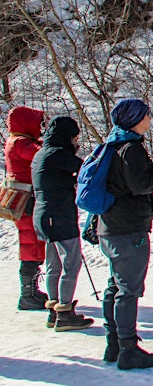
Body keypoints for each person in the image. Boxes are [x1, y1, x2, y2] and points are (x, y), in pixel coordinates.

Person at [97, 98, 153, 370]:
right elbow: (140, 184)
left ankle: (113, 343)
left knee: (115, 285)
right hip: (128, 228)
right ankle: (128, 348)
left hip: (110, 226)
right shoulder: (132, 149)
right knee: (128, 290)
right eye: (146, 114)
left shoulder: (112, 145)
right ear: (135, 118)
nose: (150, 118)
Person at [31, 115, 94, 331]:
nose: (76, 143)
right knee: (71, 262)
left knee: (53, 264)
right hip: (59, 214)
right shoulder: (58, 154)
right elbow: (86, 169)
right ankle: (65, 312)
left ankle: (54, 310)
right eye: (74, 138)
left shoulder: (42, 154)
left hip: (43, 215)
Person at [5, 106, 49, 311]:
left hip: (25, 200)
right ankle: (27, 293)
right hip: (25, 202)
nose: (40, 128)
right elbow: (40, 156)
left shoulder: (19, 141)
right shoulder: (20, 143)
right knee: (30, 243)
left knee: (33, 241)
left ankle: (31, 290)